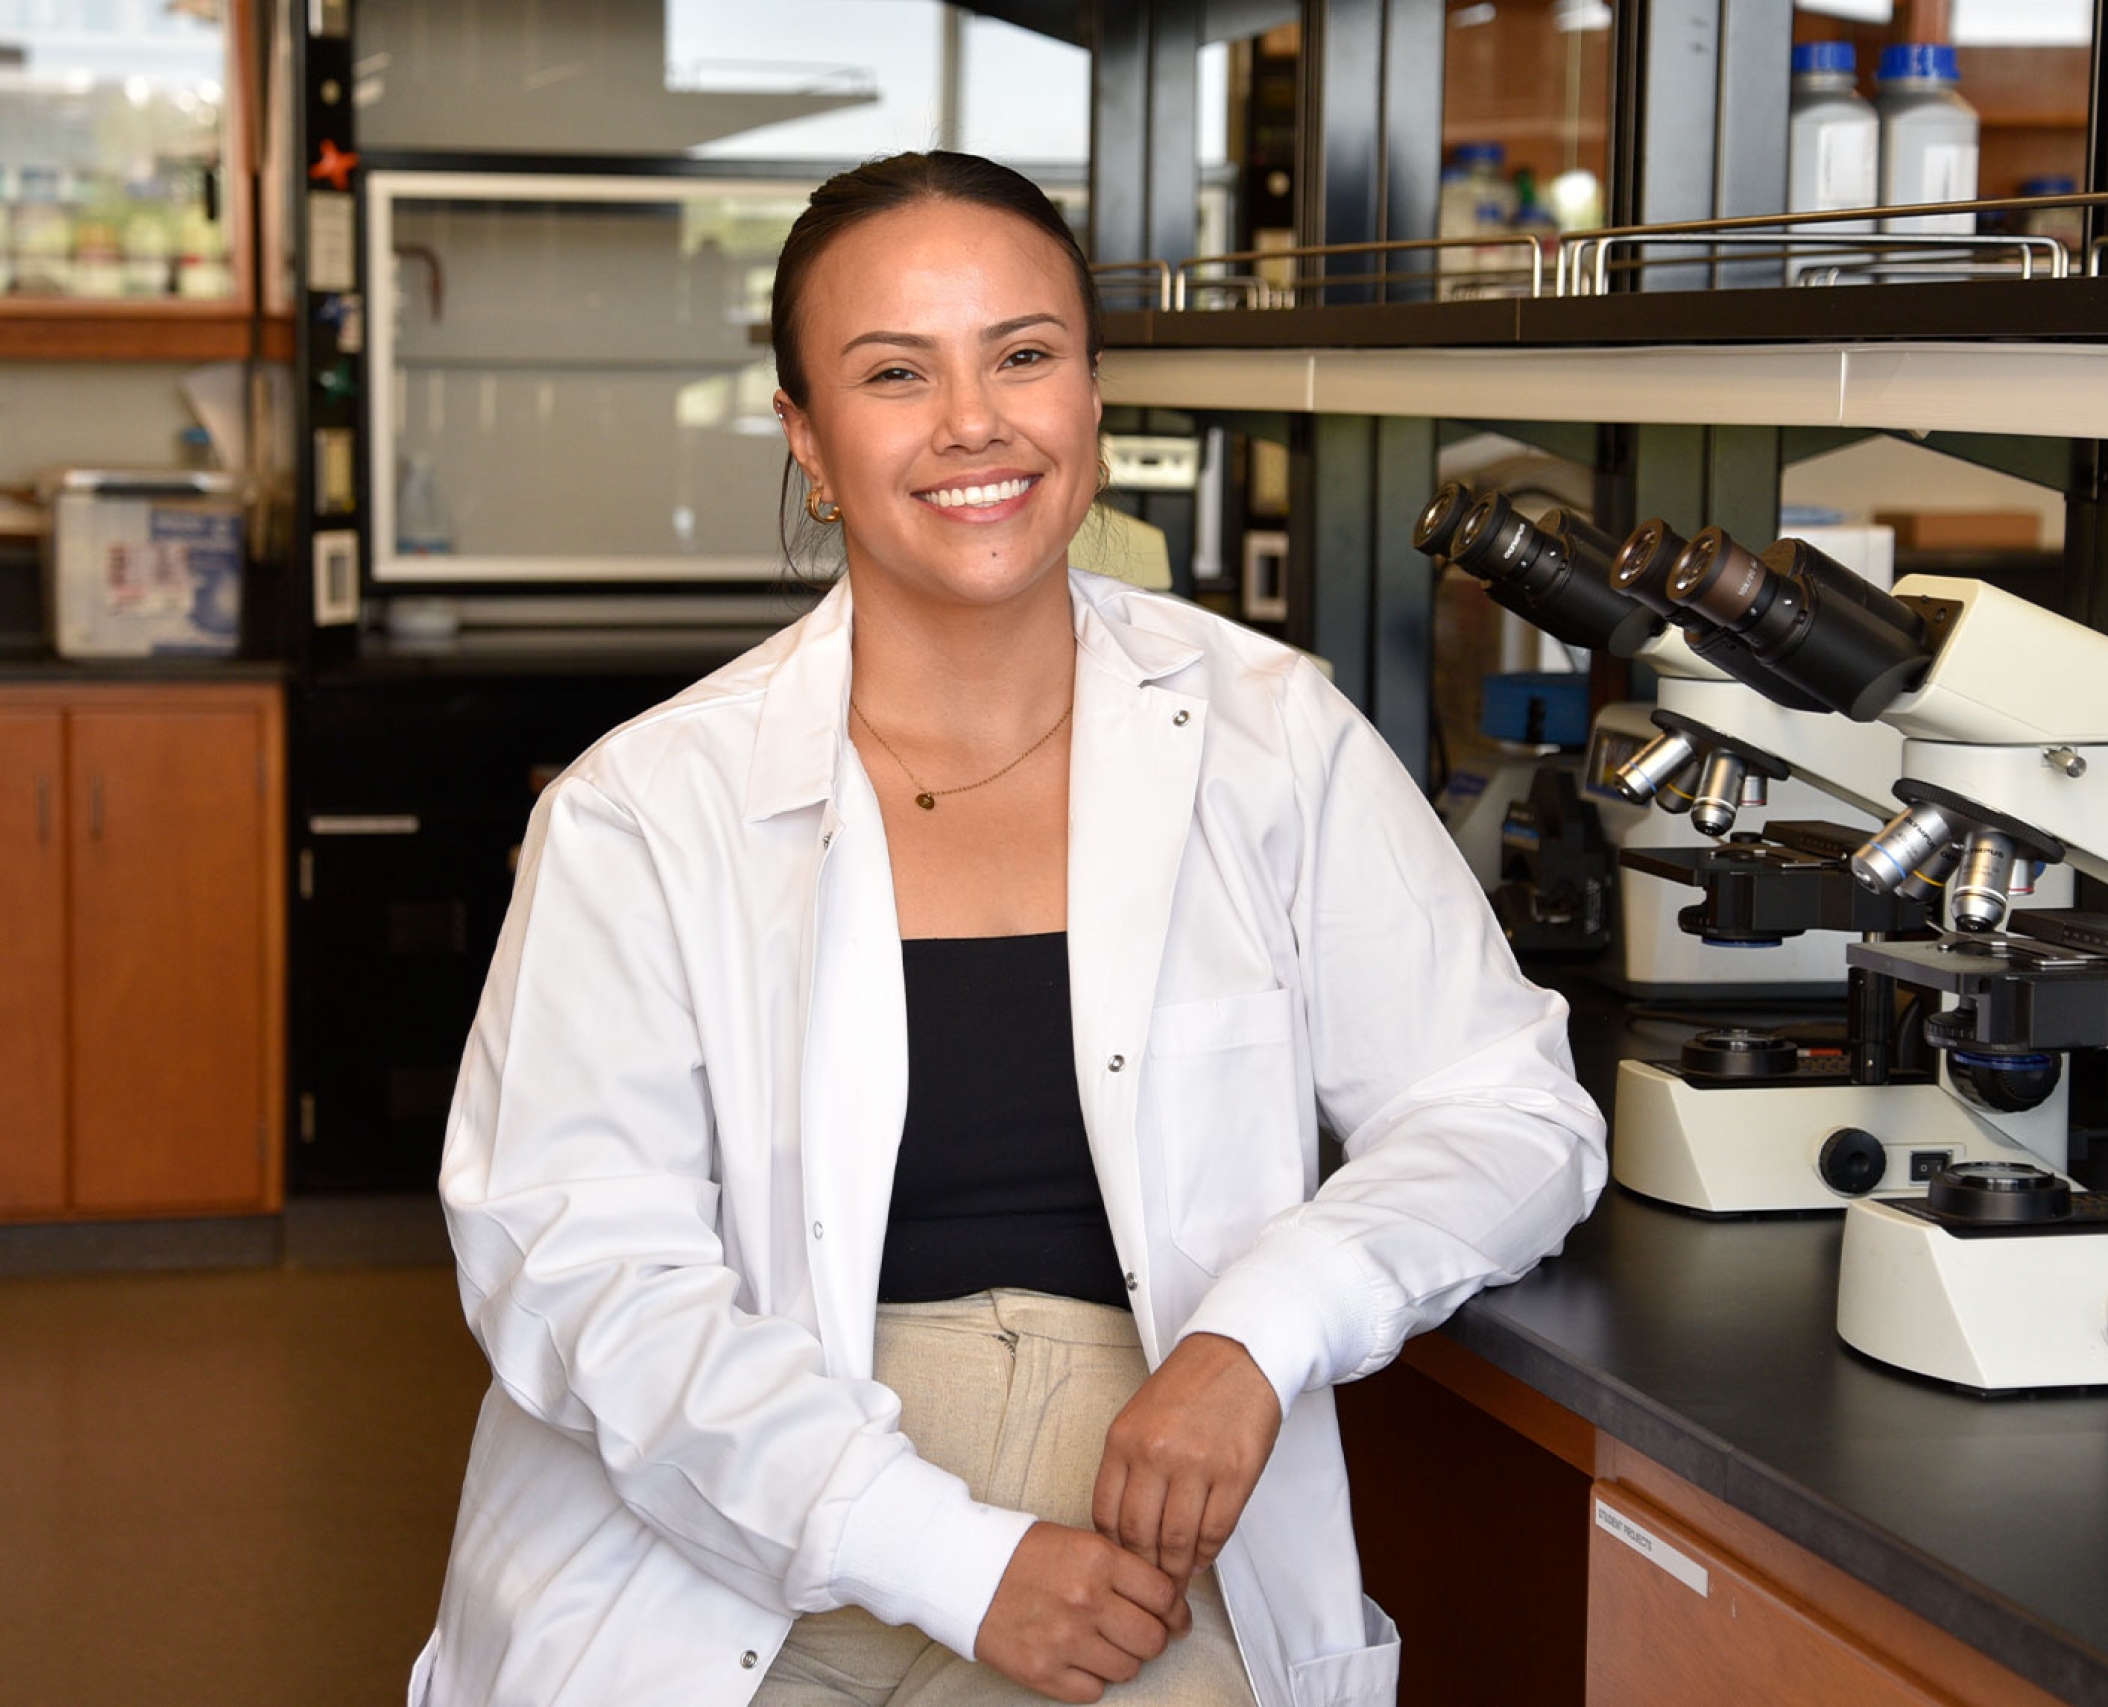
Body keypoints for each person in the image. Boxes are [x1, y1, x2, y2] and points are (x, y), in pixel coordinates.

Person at [411, 150, 1606, 1707]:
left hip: (1143, 1537)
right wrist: (952, 1564)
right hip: (732, 1542)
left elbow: (1508, 1112)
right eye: (896, 373)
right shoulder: (647, 812)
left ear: (1092, 400)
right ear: (809, 441)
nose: (974, 423)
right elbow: (582, 1270)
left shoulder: (1271, 739)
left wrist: (1258, 1334)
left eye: (1023, 356)